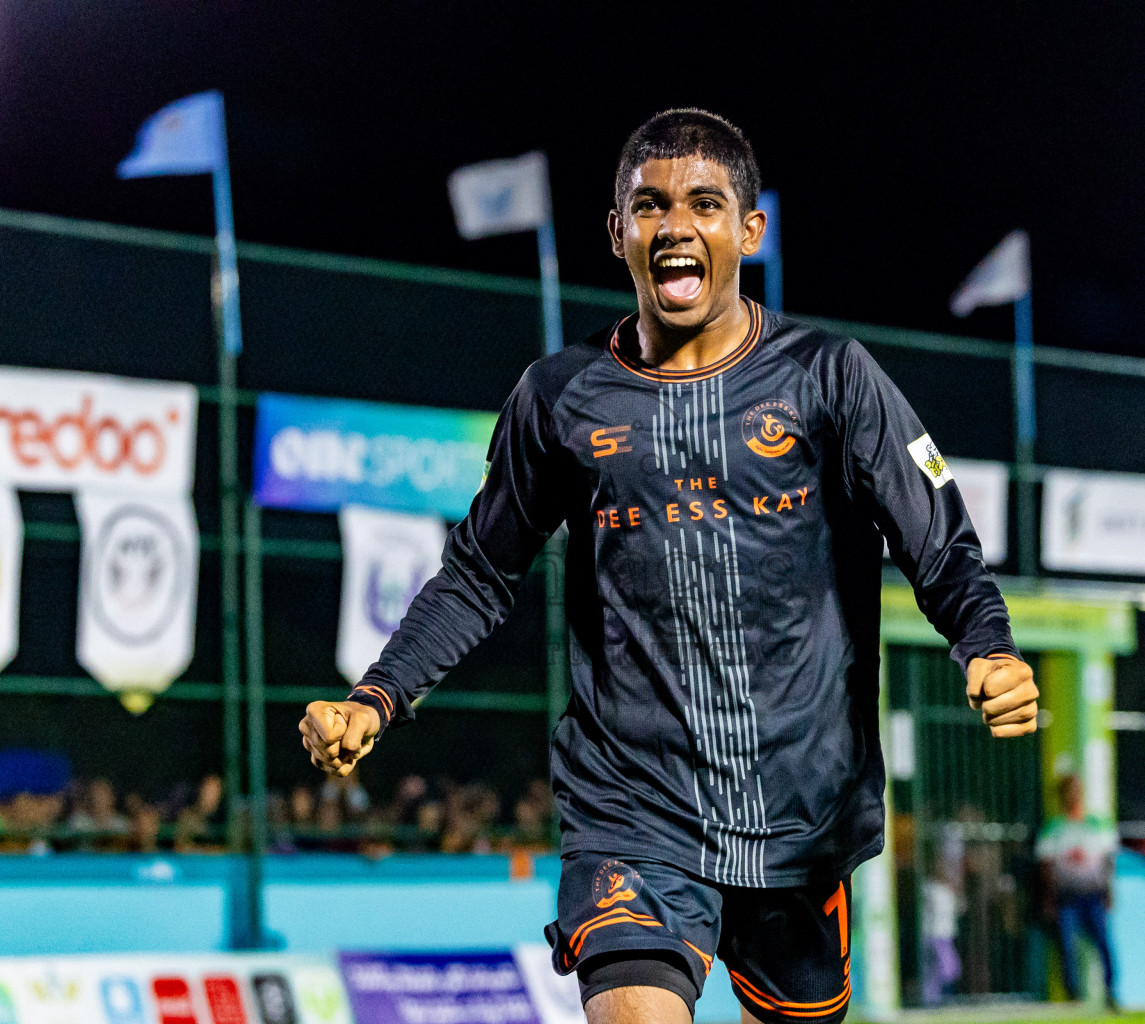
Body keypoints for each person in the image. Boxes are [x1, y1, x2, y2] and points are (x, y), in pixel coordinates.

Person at [302, 109, 1036, 1024]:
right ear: (618, 234)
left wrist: (987, 646)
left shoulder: (832, 377)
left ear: (748, 231)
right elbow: (477, 574)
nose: (676, 226)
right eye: (649, 207)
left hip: (800, 816)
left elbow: (939, 540)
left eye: (704, 204)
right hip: (630, 807)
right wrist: (379, 694)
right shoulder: (557, 398)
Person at [1037, 775, 1118, 1008]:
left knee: (1103, 943)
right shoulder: (1053, 827)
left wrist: (1109, 891)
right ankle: (1073, 995)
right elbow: (1046, 866)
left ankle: (1110, 991)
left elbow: (1107, 860)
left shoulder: (1096, 823)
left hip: (1093, 895)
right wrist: (1049, 899)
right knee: (1067, 946)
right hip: (1067, 898)